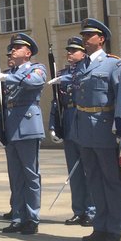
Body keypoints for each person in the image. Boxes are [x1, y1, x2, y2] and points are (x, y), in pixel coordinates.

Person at [73, 18, 121, 241]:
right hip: (84, 127)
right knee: (93, 179)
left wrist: (120, 122)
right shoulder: (81, 65)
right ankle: (100, 225)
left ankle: (114, 228)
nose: (85, 39)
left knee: (111, 179)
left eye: (89, 35)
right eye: (84, 36)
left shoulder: (113, 64)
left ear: (101, 39)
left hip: (104, 125)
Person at [0, 33, 47, 235]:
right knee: (15, 177)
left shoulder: (37, 69)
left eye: (17, 47)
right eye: (12, 48)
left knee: (30, 175)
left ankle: (32, 217)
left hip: (28, 126)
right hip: (11, 127)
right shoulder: (8, 73)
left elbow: (33, 83)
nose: (12, 50)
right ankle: (17, 216)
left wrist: (9, 77)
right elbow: (0, 103)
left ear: (28, 52)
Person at [48, 36, 95, 227]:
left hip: (82, 117)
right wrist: (53, 125)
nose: (69, 53)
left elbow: (83, 80)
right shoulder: (63, 73)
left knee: (89, 169)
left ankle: (92, 210)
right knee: (74, 172)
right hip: (68, 119)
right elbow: (56, 102)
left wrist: (67, 77)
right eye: (68, 50)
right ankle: (79, 210)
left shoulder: (87, 69)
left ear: (83, 53)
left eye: (73, 50)